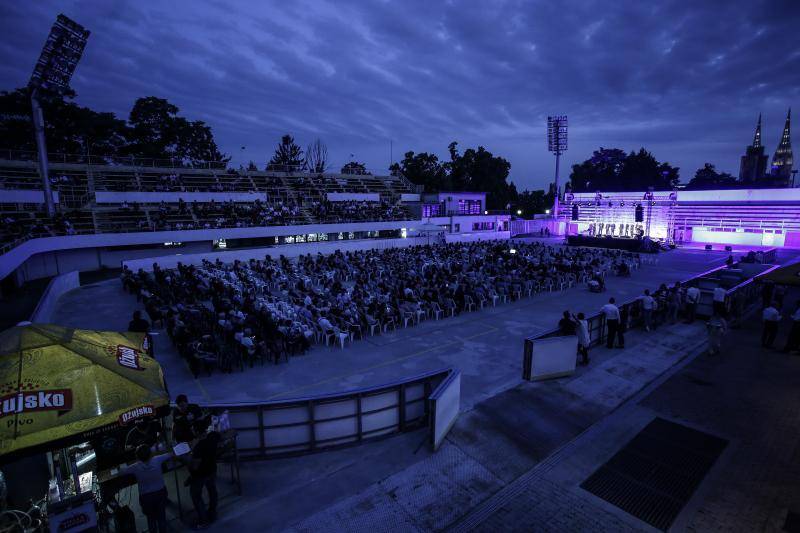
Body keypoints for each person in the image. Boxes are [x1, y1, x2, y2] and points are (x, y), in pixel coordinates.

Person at [120, 445, 172, 533]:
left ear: (137, 456)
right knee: (161, 517)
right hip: (161, 493)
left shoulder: (135, 467)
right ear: (150, 454)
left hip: (146, 497)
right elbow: (171, 454)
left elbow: (121, 472)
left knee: (151, 519)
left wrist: (120, 467)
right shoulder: (157, 459)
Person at [189, 421, 221, 528]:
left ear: (197, 432)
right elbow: (219, 436)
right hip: (212, 469)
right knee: (212, 491)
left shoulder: (198, 447)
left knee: (196, 496)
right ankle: (212, 514)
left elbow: (195, 466)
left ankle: (203, 520)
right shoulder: (213, 437)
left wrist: (191, 452)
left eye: (193, 429)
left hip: (200, 475)